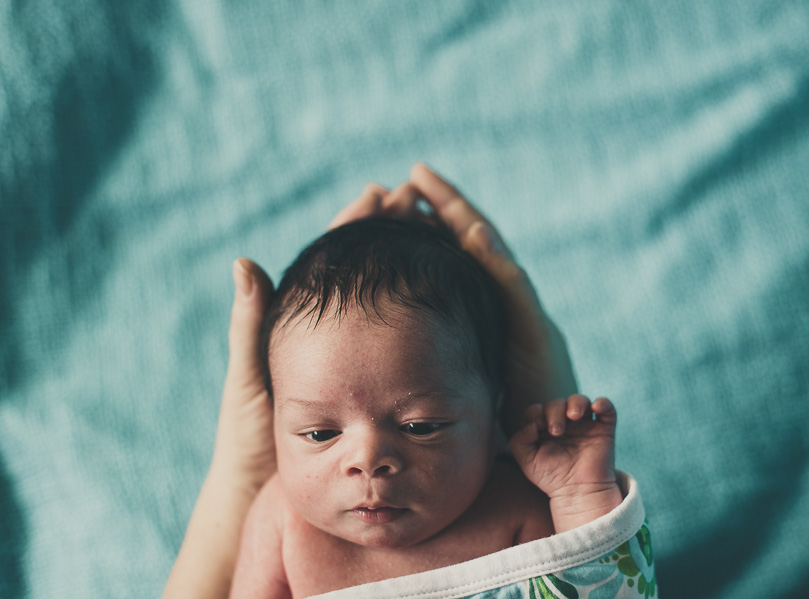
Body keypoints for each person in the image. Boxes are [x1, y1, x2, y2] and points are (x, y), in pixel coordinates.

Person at [163, 164, 592, 599]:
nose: (368, 460)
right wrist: (241, 478)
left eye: (421, 427)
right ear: (275, 427)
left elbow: (607, 586)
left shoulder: (517, 509)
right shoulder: (281, 522)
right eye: (320, 433)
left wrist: (584, 497)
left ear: (496, 409)